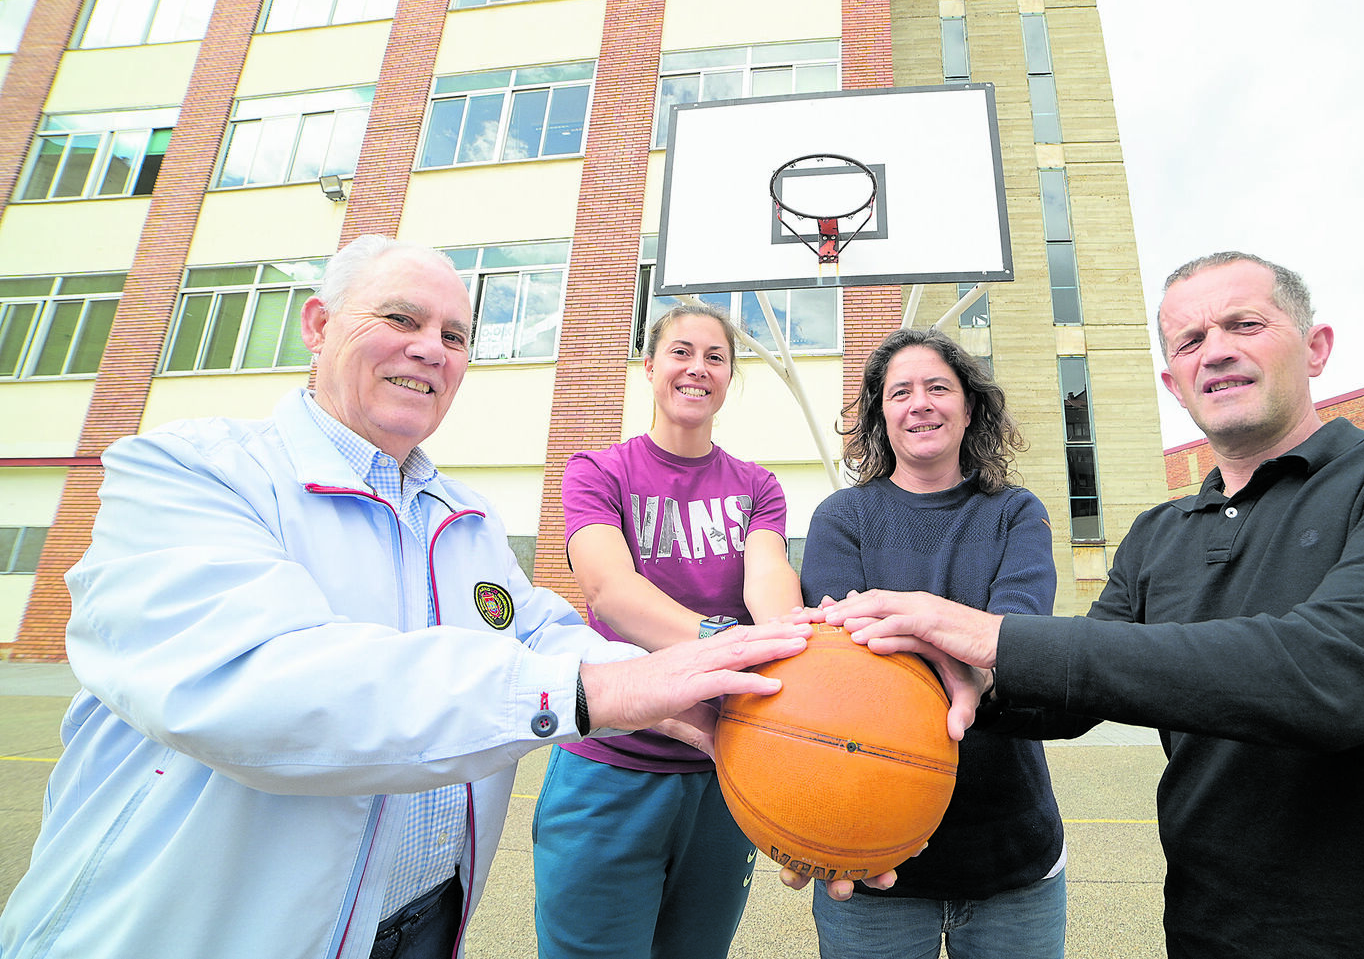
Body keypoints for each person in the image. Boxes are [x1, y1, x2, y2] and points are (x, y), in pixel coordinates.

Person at [0, 236, 813, 959]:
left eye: (453, 336)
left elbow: (543, 631)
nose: (431, 349)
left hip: (423, 920)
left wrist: (737, 720)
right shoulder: (190, 473)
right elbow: (263, 683)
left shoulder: (460, 517)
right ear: (318, 326)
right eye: (401, 318)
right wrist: (613, 687)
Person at [821, 252, 1364, 957]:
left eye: (1245, 324)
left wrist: (988, 635)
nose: (1216, 349)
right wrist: (843, 762)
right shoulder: (1160, 536)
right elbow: (1059, 693)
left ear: (1316, 345)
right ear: (1173, 381)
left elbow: (1329, 675)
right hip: (1220, 932)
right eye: (1189, 341)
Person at [530, 302, 803, 959]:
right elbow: (611, 592)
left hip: (722, 772)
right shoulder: (597, 472)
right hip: (611, 768)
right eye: (681, 351)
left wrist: (796, 642)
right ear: (650, 366)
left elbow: (767, 580)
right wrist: (727, 644)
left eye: (715, 356)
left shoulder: (757, 486)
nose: (698, 367)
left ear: (729, 378)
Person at [796, 327, 1067, 959]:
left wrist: (909, 627)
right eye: (900, 392)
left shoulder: (1016, 513)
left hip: (1011, 850)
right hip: (870, 851)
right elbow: (846, 667)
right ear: (879, 415)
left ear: (968, 408)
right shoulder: (841, 518)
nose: (920, 402)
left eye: (938, 387)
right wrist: (957, 644)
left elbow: (1012, 641)